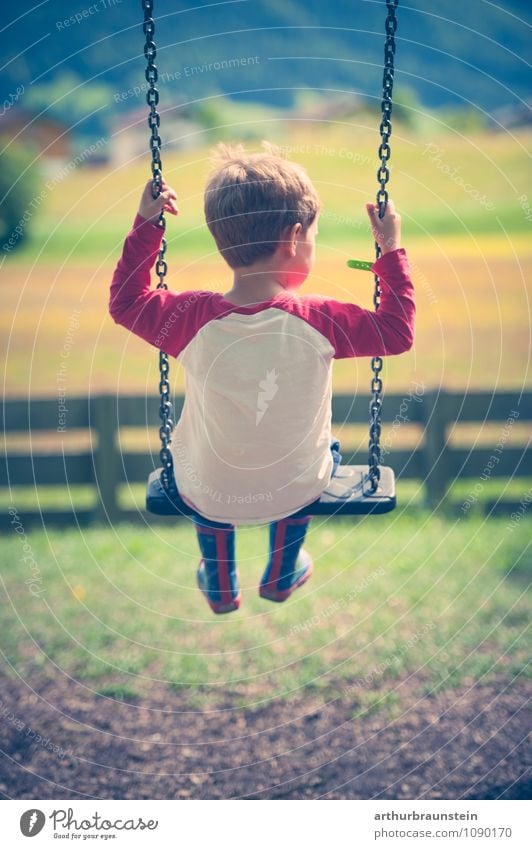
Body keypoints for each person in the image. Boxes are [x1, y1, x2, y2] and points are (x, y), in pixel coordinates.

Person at [109, 143, 415, 614]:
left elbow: (126, 302)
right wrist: (390, 250)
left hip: (205, 489)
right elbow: (396, 332)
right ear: (294, 237)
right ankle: (282, 571)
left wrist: (147, 227)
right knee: (321, 451)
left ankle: (219, 577)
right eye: (314, 235)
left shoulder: (188, 318)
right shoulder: (319, 319)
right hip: (296, 488)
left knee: (198, 458)